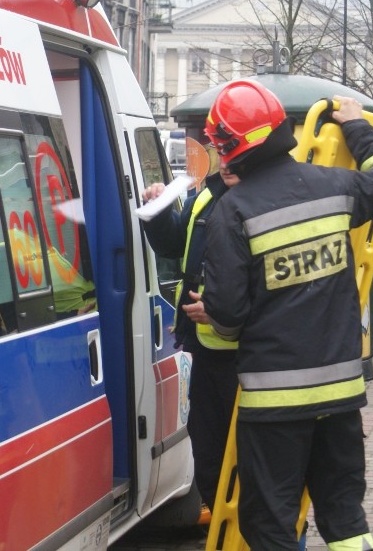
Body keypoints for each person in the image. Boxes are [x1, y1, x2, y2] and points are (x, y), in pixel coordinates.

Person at [182, 81, 373, 550]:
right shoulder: (333, 187)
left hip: (274, 406)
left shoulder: (235, 211)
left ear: (232, 149)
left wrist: (215, 318)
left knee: (269, 524)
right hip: (342, 395)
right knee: (346, 518)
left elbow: (228, 311)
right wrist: (359, 129)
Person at [141, 161, 240, 512]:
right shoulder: (206, 195)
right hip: (206, 351)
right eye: (222, 150)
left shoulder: (266, 200)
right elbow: (174, 247)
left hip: (254, 359)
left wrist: (222, 313)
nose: (226, 160)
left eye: (234, 150)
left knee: (254, 466)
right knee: (208, 455)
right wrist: (158, 212)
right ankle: (221, 522)